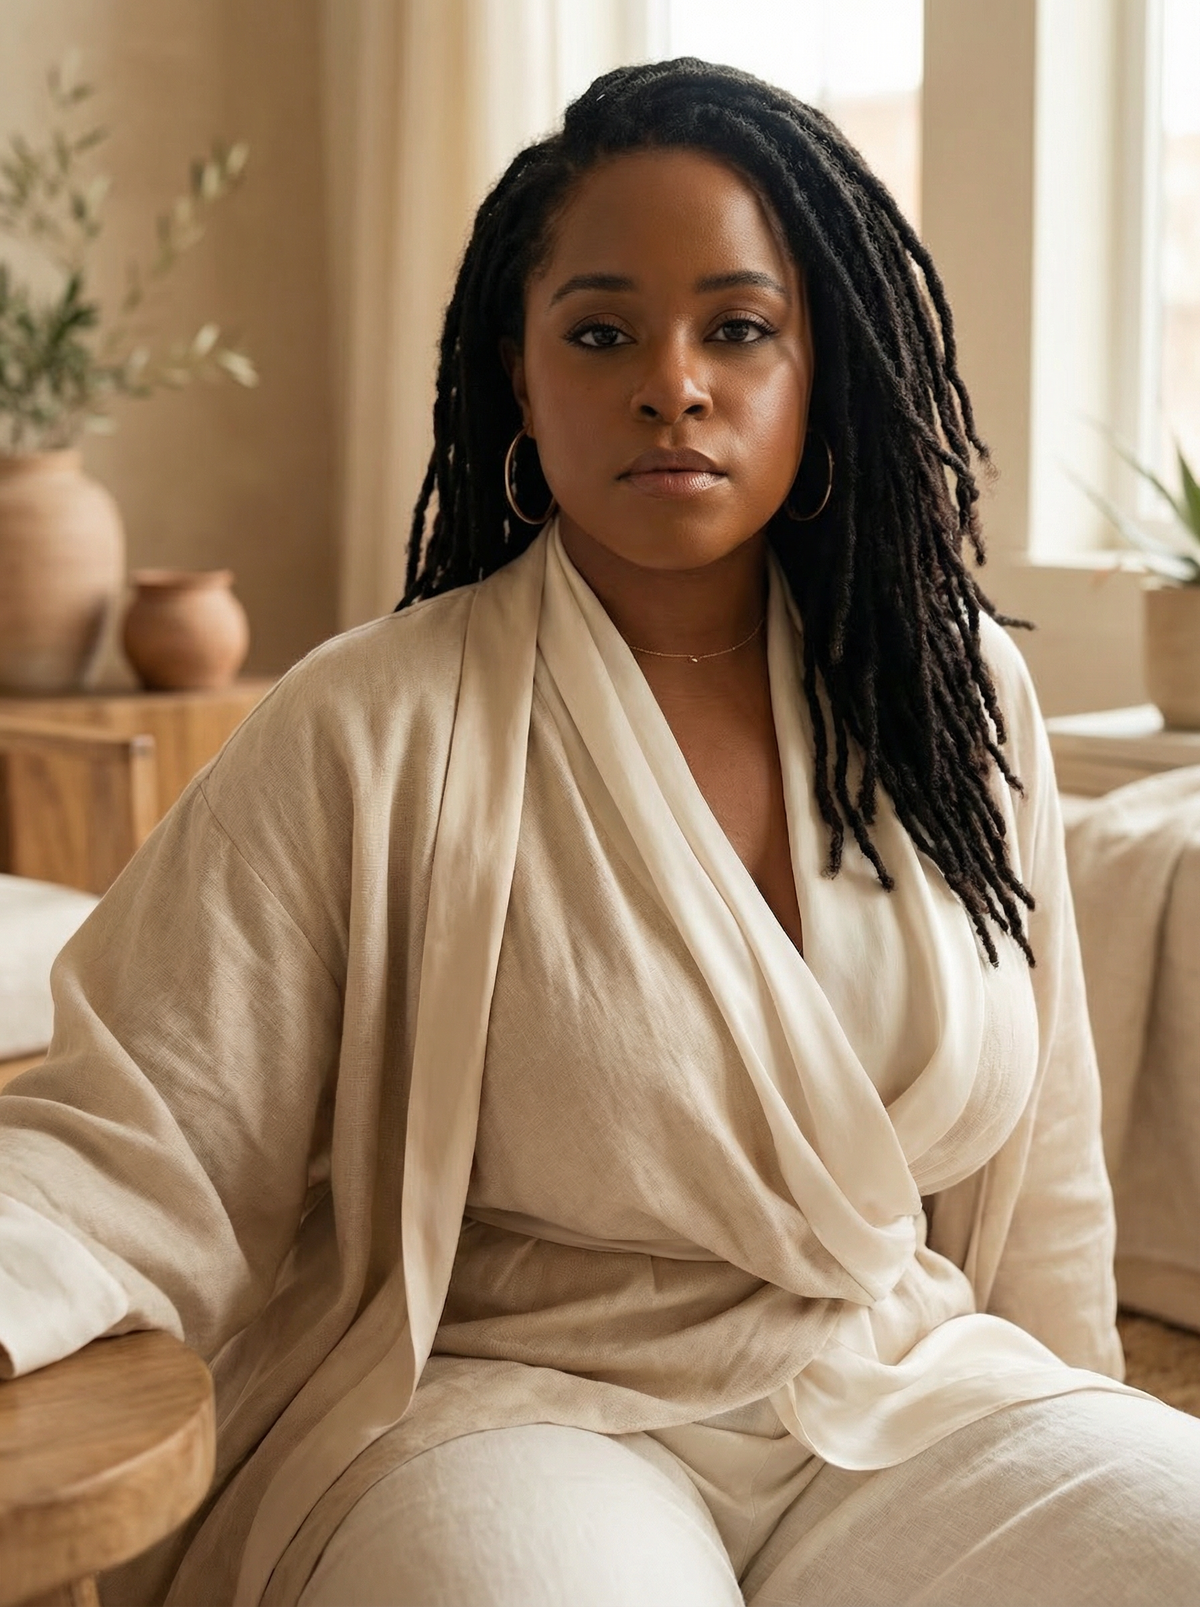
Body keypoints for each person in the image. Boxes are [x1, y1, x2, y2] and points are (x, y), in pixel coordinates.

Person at [1, 58, 1198, 1607]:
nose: (673, 381)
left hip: (901, 1386)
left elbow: (1039, 1171)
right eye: (603, 330)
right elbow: (143, 1132)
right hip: (515, 1410)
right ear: (520, 371)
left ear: (814, 366)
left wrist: (1069, 1408)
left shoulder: (951, 690)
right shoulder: (370, 720)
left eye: (739, 327)